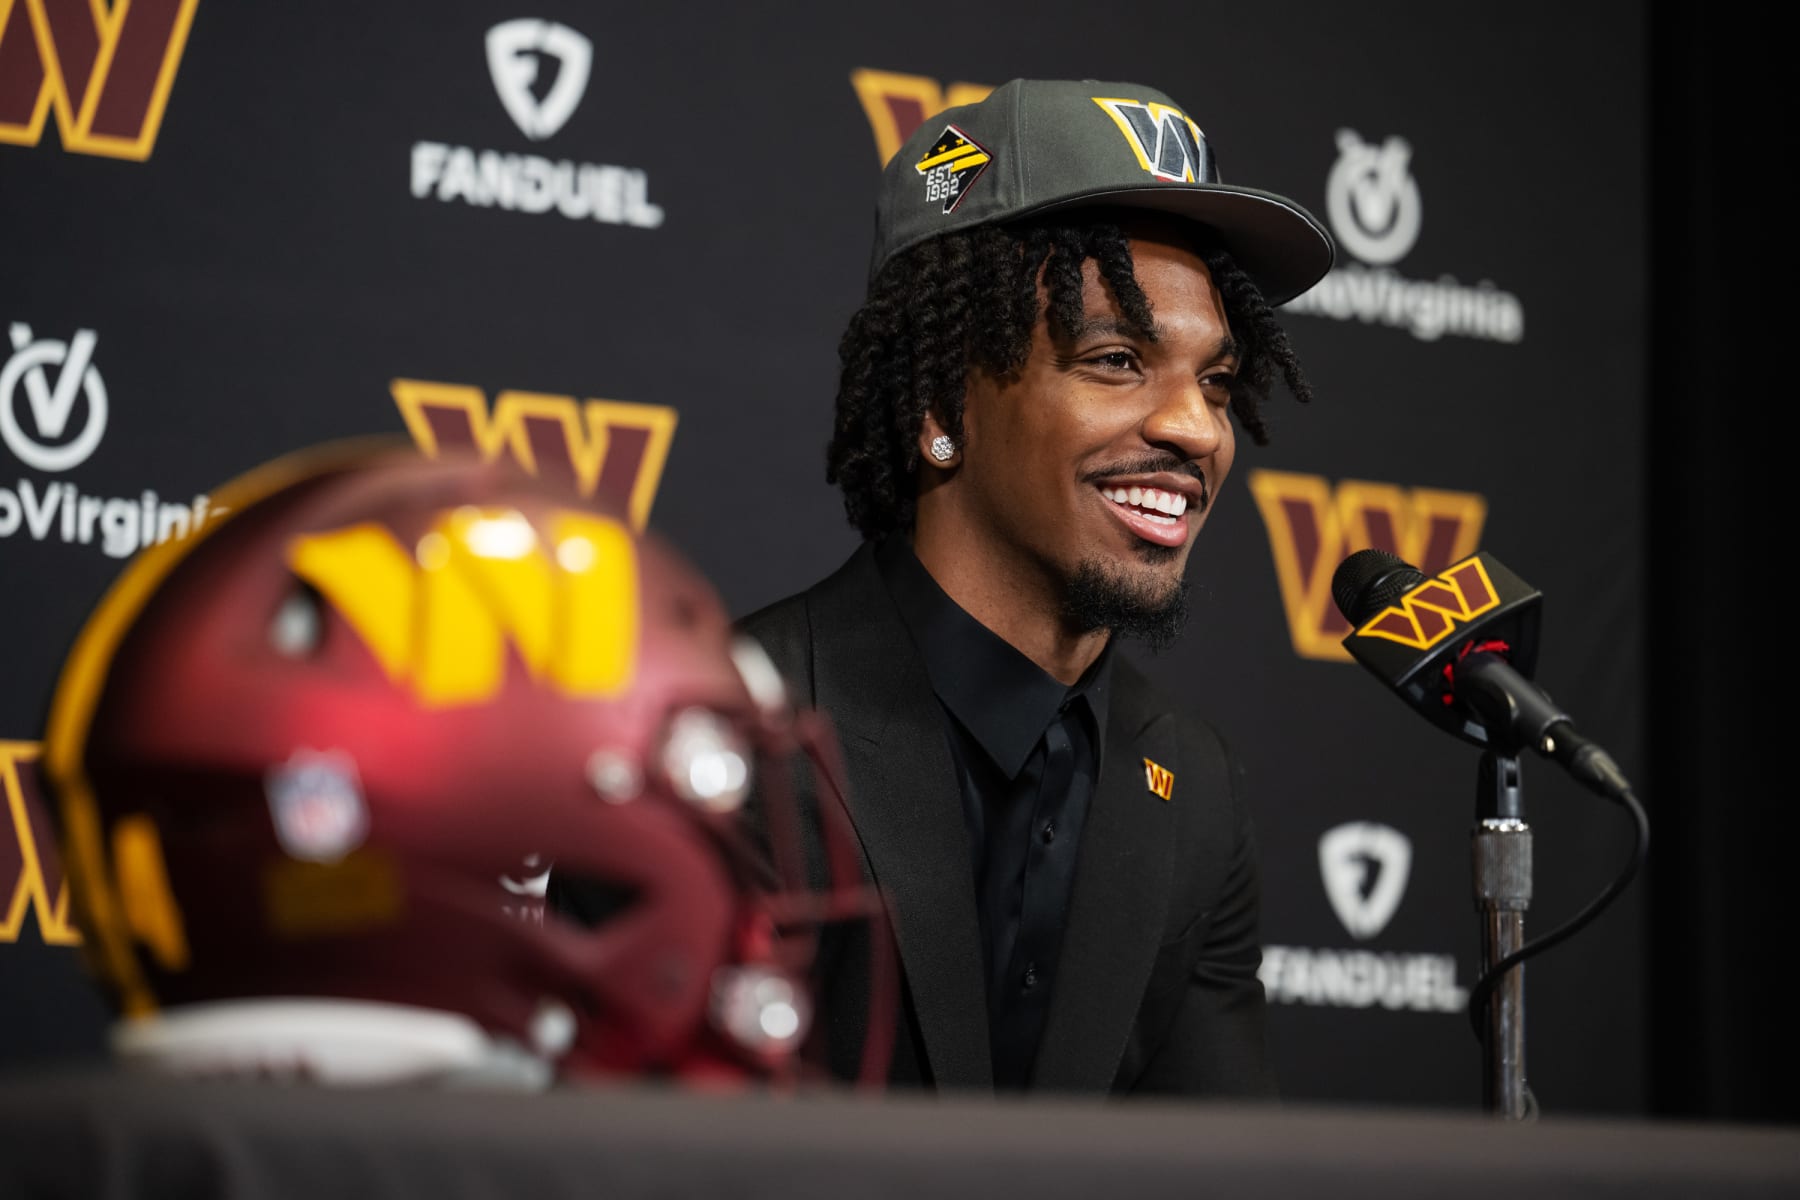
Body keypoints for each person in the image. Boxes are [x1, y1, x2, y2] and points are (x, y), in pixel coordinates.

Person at [739, 78, 1333, 1095]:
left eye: (1217, 382)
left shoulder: (1193, 787)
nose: (1196, 430)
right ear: (940, 405)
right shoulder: (729, 730)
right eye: (1116, 359)